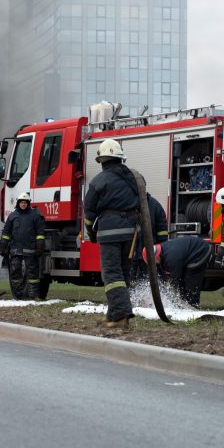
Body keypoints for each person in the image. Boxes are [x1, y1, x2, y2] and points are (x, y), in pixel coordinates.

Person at [83, 139, 140, 328]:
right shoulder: (134, 177)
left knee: (112, 275)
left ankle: (121, 316)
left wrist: (91, 234)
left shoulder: (98, 181)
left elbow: (89, 214)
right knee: (123, 274)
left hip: (109, 234)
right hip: (131, 234)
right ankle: (112, 314)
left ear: (103, 161)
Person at [0, 191, 46, 300]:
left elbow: (40, 232)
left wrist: (40, 244)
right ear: (18, 203)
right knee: (15, 272)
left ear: (28, 203)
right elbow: (6, 233)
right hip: (16, 249)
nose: (23, 204)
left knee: (32, 273)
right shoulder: (12, 216)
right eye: (21, 202)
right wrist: (3, 245)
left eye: (25, 202)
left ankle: (34, 295)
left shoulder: (35, 216)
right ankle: (18, 296)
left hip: (30, 249)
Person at [141, 236, 211, 307]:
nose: (153, 265)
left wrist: (168, 297)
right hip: (189, 252)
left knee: (190, 281)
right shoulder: (162, 252)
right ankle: (185, 304)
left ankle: (193, 306)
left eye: (152, 263)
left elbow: (175, 279)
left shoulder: (171, 259)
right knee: (182, 283)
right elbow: (163, 275)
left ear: (156, 257)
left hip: (200, 250)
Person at [131, 193, 169, 280]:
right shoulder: (131, 204)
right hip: (134, 253)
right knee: (134, 280)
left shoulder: (154, 205)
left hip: (151, 253)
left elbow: (162, 232)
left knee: (151, 279)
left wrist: (160, 252)